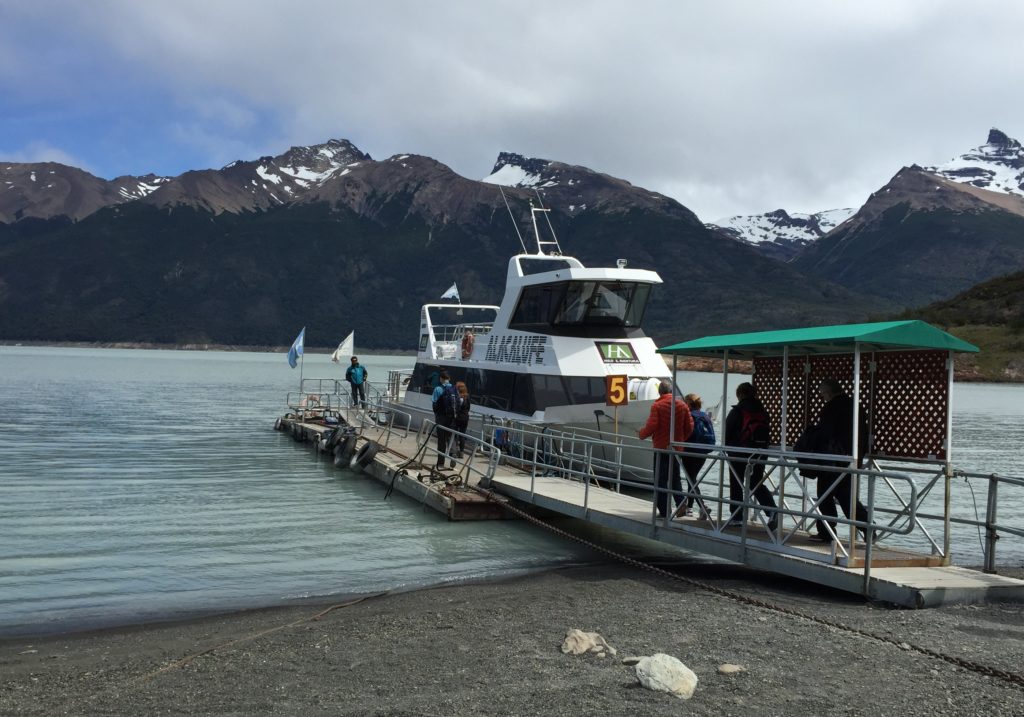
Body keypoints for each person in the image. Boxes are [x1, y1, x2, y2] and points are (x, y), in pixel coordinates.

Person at [806, 378, 870, 542]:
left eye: (822, 394)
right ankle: (868, 527)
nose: (823, 397)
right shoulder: (856, 405)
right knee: (846, 497)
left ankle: (827, 532)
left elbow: (825, 434)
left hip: (832, 459)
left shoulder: (830, 407)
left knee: (824, 495)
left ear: (828, 392)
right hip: (852, 458)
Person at [724, 382, 778, 530]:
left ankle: (737, 516)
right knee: (756, 482)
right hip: (760, 452)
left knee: (737, 482)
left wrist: (728, 447)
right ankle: (772, 510)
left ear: (740, 394)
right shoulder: (762, 411)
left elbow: (726, 433)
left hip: (739, 452)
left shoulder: (737, 411)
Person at [638, 380, 694, 519]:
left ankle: (664, 511)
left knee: (660, 480)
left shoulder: (657, 405)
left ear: (660, 392)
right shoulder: (682, 405)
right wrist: (680, 440)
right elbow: (689, 427)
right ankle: (681, 504)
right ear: (671, 391)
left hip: (661, 448)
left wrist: (641, 434)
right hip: (676, 448)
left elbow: (652, 426)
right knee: (675, 478)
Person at [681, 393, 714, 518]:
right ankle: (690, 508)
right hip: (703, 451)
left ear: (688, 403)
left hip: (689, 450)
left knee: (691, 479)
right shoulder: (705, 416)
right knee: (692, 478)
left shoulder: (688, 415)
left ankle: (702, 507)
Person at [431, 371, 458, 469]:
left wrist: (437, 415)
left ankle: (441, 462)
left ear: (441, 379)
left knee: (441, 440)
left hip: (441, 417)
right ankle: (453, 453)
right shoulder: (454, 389)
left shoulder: (438, 389)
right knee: (451, 437)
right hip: (452, 418)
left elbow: (434, 403)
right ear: (449, 379)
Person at [454, 381, 471, 457]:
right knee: (462, 435)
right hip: (465, 418)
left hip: (458, 418)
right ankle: (461, 452)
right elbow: (468, 408)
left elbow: (457, 409)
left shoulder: (458, 398)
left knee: (454, 434)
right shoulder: (467, 397)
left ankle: (454, 450)